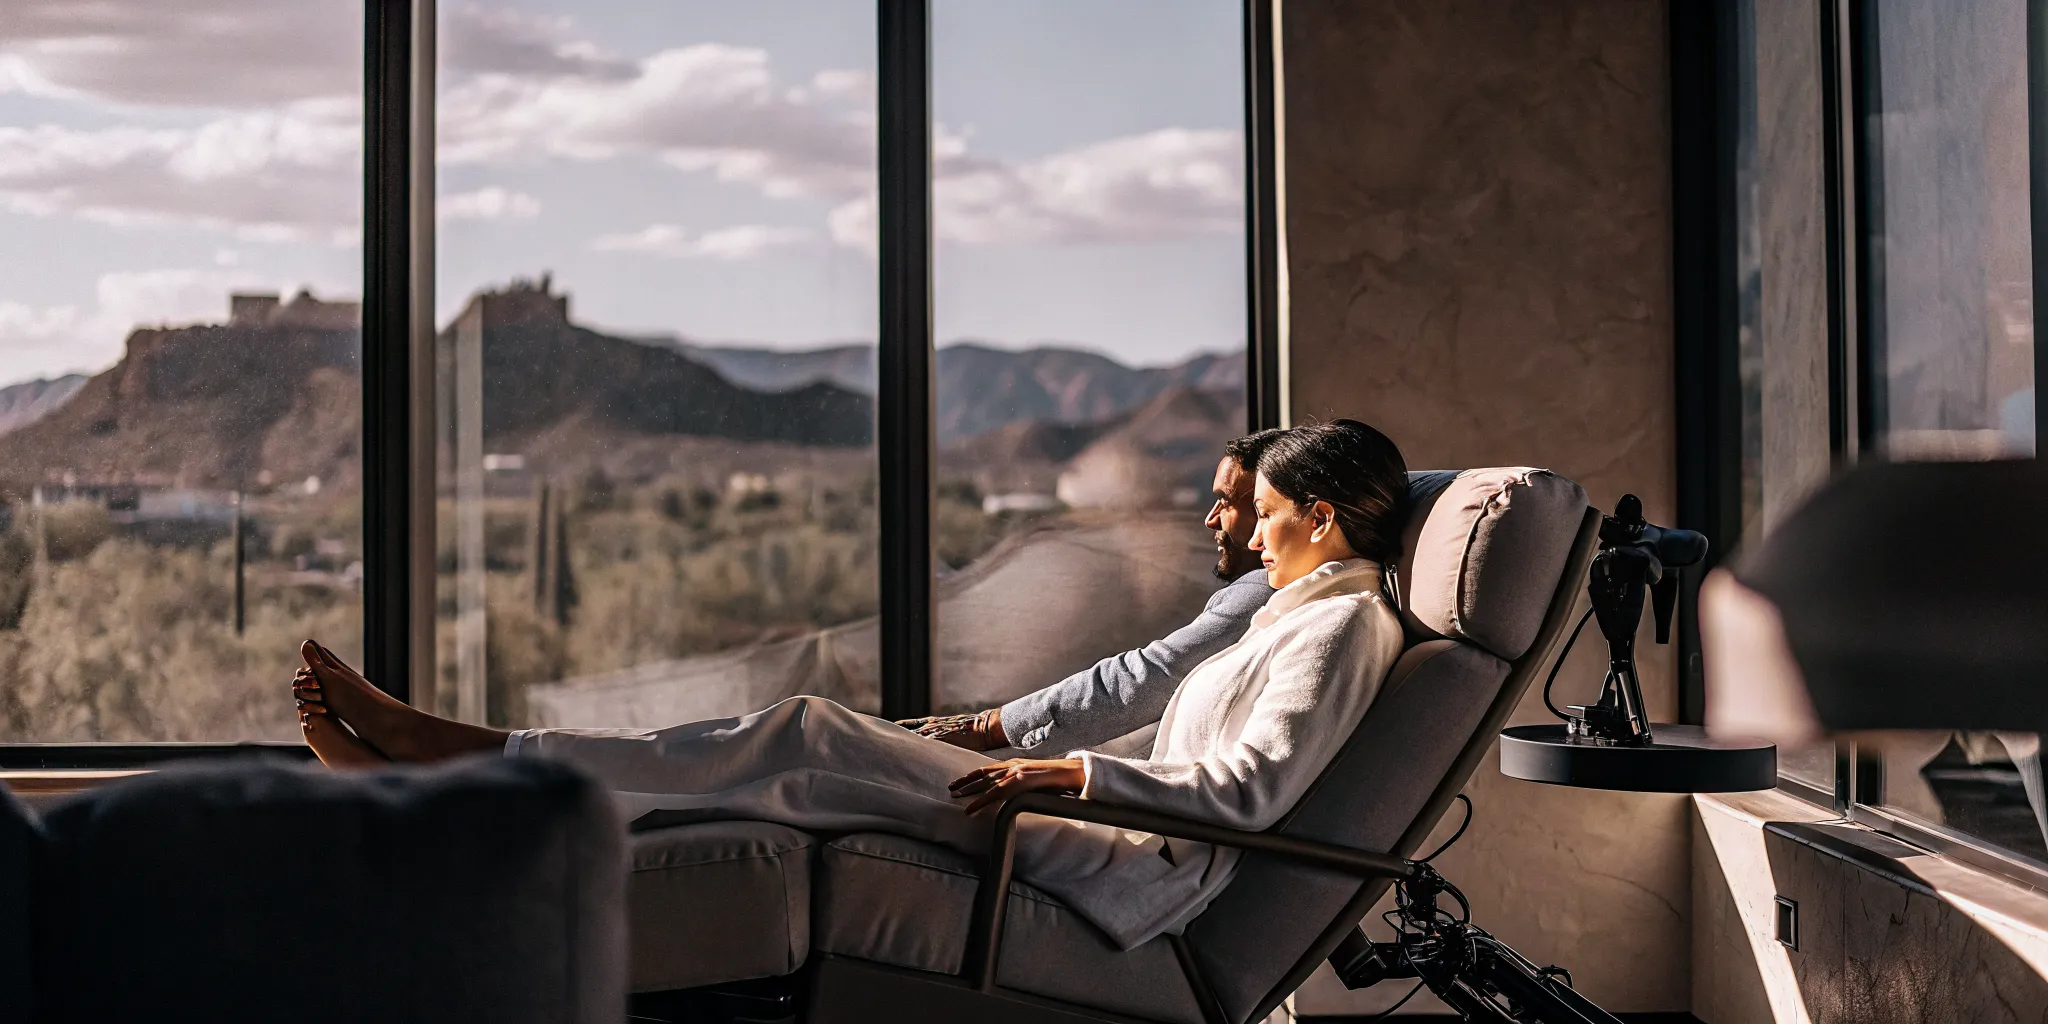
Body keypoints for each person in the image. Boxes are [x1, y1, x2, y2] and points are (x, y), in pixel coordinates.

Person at [291, 420, 1410, 950]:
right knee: (782, 769)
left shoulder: (1338, 627)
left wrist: (1061, 768)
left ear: (1318, 517)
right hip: (1093, 824)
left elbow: (1248, 791)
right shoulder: (1290, 613)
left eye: (1261, 515)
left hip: (1118, 857)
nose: (1246, 535)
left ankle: (474, 762)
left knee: (803, 735)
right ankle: (471, 790)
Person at [898, 428, 1286, 755]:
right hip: (1097, 791)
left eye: (1226, 501)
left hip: (1098, 806)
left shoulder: (1267, 592)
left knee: (843, 743)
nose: (1208, 519)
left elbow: (1146, 677)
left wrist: (990, 728)